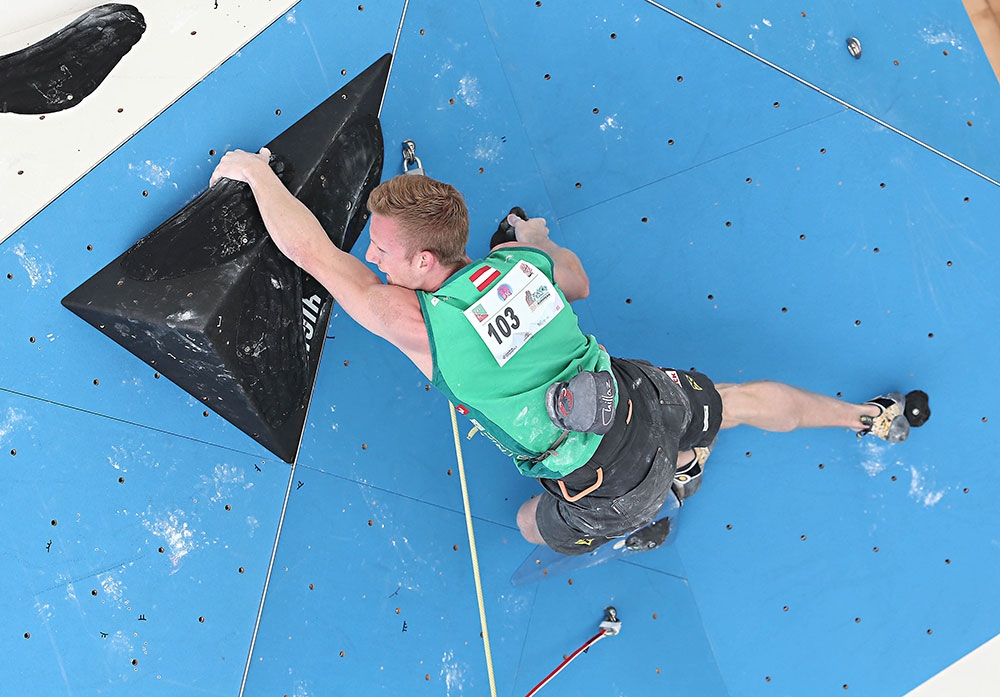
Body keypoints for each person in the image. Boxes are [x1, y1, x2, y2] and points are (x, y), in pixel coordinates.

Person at [210, 147, 925, 556]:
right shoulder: (523, 269)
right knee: (734, 401)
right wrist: (535, 238)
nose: (372, 254)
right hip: (642, 394)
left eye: (386, 249)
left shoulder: (416, 321)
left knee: (532, 528)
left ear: (430, 264)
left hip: (608, 487)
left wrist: (256, 171)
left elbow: (313, 253)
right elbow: (578, 277)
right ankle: (870, 416)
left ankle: (668, 491)